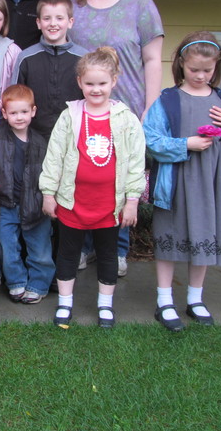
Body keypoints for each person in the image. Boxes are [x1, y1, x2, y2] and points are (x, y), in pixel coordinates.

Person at [65, 0, 164, 277]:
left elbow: (153, 59)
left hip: (127, 108)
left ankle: (117, 249)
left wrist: (151, 106)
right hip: (85, 110)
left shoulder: (139, 4)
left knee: (119, 178)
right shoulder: (72, 3)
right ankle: (85, 245)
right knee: (84, 174)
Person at [144, 31, 221, 332]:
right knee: (169, 236)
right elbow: (150, 140)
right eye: (194, 69)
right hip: (176, 182)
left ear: (217, 66)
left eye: (208, 70)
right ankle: (164, 300)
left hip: (211, 183)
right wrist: (185, 144)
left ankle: (195, 298)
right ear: (181, 64)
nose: (201, 75)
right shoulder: (168, 101)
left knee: (204, 234)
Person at [40, 47, 146, 329]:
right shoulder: (70, 116)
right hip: (73, 201)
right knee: (68, 253)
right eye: (89, 83)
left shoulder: (126, 119)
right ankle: (65, 303)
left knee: (108, 254)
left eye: (102, 83)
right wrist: (49, 193)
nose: (96, 89)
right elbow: (54, 156)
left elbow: (136, 162)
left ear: (114, 81)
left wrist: (132, 200)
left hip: (109, 204)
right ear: (79, 82)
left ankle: (105, 305)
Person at [0, 84, 54, 304]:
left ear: (33, 111)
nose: (19, 117)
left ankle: (39, 285)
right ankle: (16, 282)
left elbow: (49, 173)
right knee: (7, 247)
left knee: (40, 248)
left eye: (24, 112)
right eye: (13, 113)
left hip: (35, 204)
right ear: (4, 113)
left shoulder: (40, 143)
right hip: (7, 204)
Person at [11, 0, 88, 140]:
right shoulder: (26, 58)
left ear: (70, 22)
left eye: (59, 18)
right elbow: (14, 99)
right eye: (47, 18)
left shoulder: (84, 58)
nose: (53, 23)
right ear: (38, 23)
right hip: (34, 137)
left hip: (74, 136)